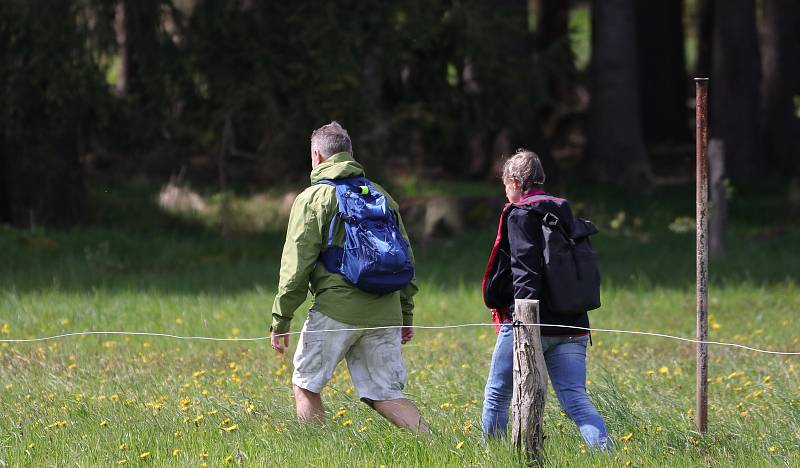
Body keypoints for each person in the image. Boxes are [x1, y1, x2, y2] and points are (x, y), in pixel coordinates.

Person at [270, 121, 429, 433]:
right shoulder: (380, 194)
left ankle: (316, 455)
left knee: (306, 384)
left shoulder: (313, 198)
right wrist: (405, 314)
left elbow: (296, 268)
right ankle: (437, 448)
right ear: (349, 154)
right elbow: (405, 258)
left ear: (317, 156)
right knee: (386, 395)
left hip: (336, 310)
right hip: (386, 310)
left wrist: (281, 318)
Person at [481, 149, 610, 449]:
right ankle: (608, 456)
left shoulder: (521, 214)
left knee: (497, 395)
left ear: (514, 182)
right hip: (573, 324)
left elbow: (525, 270)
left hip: (530, 323)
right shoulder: (563, 213)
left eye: (505, 186)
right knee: (576, 401)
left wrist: (525, 324)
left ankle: (494, 457)